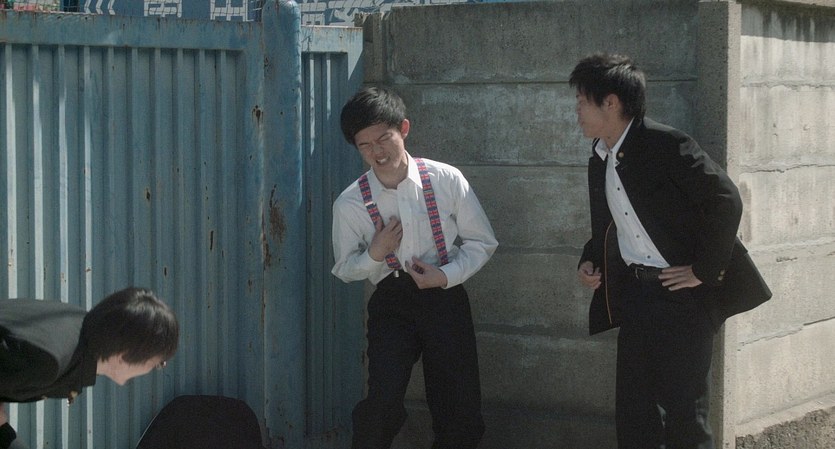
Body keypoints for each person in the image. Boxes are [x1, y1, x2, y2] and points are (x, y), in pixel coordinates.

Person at [571, 53, 772, 449]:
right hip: (636, 296)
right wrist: (590, 260)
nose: (576, 111)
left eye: (581, 101)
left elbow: (726, 199)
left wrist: (703, 270)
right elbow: (614, 224)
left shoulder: (665, 144)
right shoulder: (600, 158)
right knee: (634, 412)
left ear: (610, 102)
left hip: (683, 299)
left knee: (685, 415)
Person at [332, 86, 498, 449]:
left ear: (403, 129)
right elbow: (344, 268)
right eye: (364, 145)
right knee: (382, 403)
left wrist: (446, 275)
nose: (377, 152)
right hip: (392, 301)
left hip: (445, 296)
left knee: (459, 407)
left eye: (383, 138)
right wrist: (375, 253)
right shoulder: (350, 203)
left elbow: (482, 241)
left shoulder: (445, 179)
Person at [0, 287, 179, 449]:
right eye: (157, 363)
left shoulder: (79, 328)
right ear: (123, 357)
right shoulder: (50, 360)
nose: (152, 370)